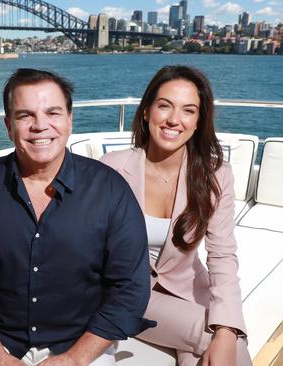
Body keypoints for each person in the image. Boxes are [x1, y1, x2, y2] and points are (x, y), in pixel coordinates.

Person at [0, 68, 154, 366]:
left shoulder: (111, 191)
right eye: (25, 115)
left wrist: (75, 359)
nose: (40, 126)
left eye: (53, 113)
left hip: (81, 342)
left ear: (69, 121)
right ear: (8, 126)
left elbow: (130, 289)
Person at [100, 65, 252, 366]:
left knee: (219, 342)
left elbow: (222, 254)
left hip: (190, 291)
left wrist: (227, 329)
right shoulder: (111, 168)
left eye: (188, 110)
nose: (173, 120)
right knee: (223, 343)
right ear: (146, 112)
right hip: (128, 293)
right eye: (164, 106)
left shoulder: (215, 175)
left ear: (199, 121)